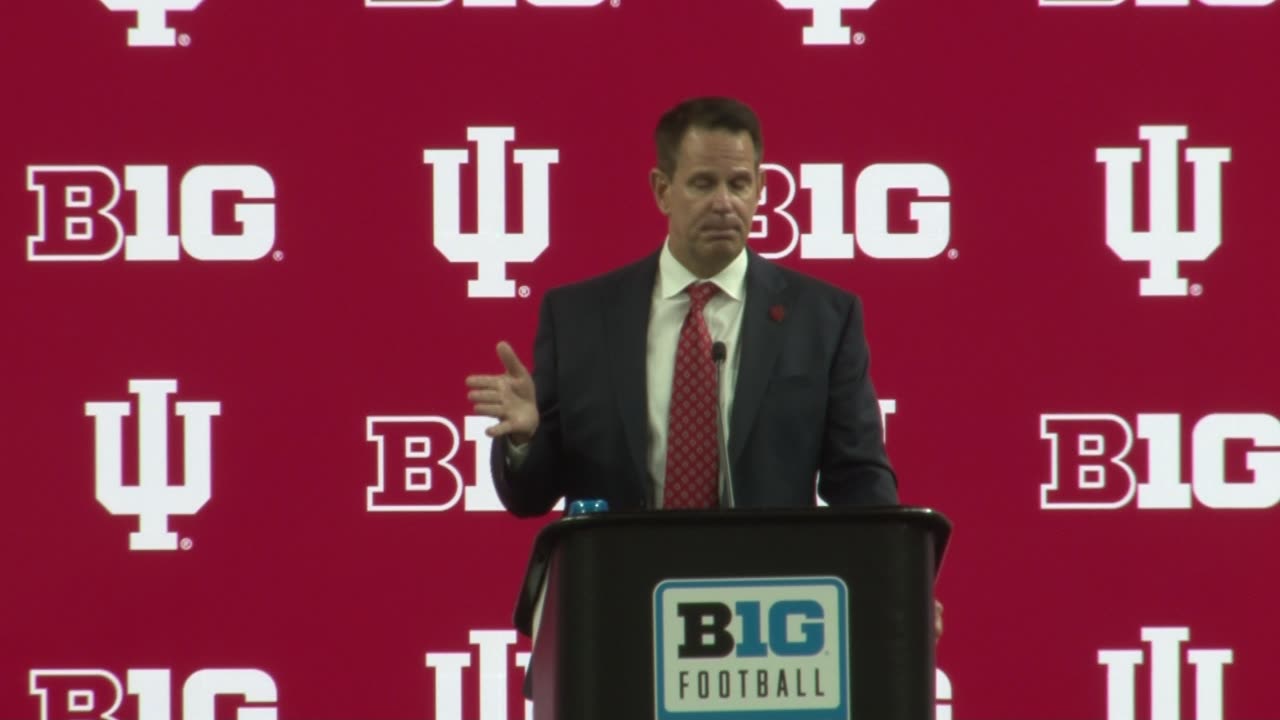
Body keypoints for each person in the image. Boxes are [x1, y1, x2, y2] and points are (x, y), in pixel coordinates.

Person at [465, 96, 897, 517]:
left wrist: (895, 582)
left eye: (739, 184)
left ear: (760, 189)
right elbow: (530, 498)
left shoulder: (823, 318)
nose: (724, 203)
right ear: (663, 190)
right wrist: (526, 438)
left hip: (766, 580)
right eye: (703, 183)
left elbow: (859, 481)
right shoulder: (579, 317)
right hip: (619, 581)